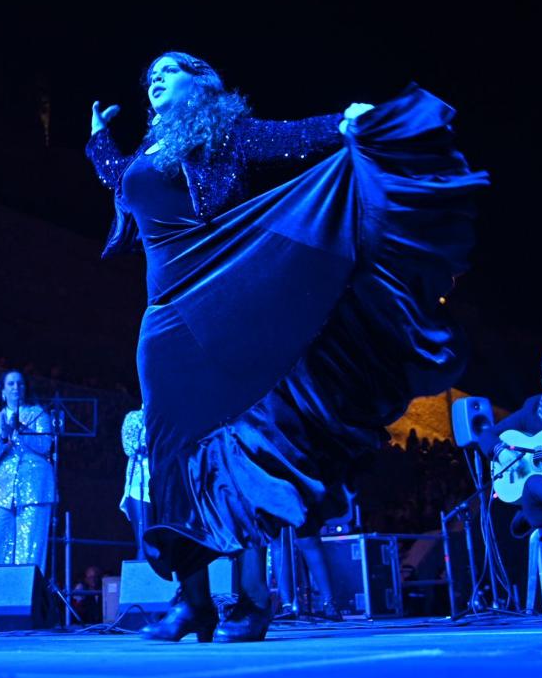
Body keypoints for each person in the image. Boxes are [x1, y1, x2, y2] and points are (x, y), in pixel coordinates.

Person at [86, 51, 488, 642]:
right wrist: (98, 139)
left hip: (222, 295)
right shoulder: (149, 152)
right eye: (150, 77)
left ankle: (249, 601)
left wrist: (340, 123)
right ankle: (191, 600)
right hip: (165, 314)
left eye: (169, 71)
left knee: (236, 438)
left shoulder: (219, 130)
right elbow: (120, 180)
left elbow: (281, 138)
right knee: (167, 449)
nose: (156, 80)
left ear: (201, 81)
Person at [0, 370, 56, 571]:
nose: (16, 388)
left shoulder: (38, 413)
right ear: (3, 391)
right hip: (2, 491)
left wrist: (20, 430)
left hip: (34, 490)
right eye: (11, 384)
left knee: (29, 548)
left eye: (20, 384)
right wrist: (3, 438)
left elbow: (45, 445)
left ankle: (27, 594)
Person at [478, 348, 542, 537]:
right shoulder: (532, 409)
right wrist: (501, 452)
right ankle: (529, 511)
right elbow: (486, 435)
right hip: (541, 492)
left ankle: (526, 515)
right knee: (533, 481)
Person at [120, 405, 151, 560]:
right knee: (144, 537)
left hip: (162, 483)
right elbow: (129, 446)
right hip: (140, 482)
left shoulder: (168, 416)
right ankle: (142, 578)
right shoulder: (135, 417)